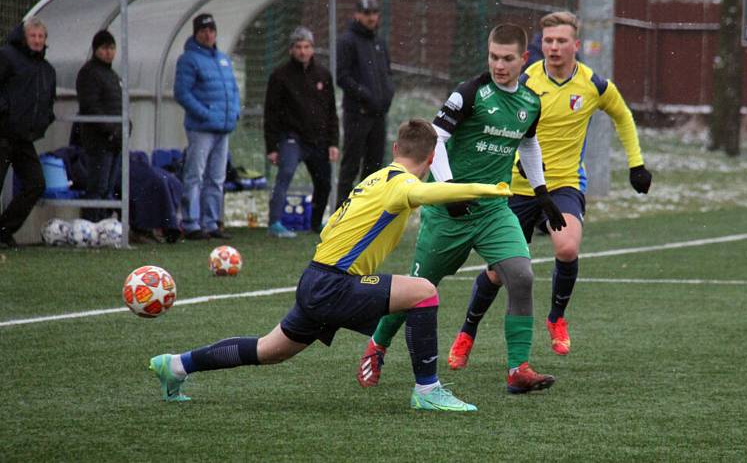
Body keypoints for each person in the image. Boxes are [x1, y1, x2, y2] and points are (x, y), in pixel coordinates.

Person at [149, 119, 512, 412]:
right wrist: (485, 189)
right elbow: (426, 193)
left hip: (316, 278)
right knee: (423, 291)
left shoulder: (374, 179)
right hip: (334, 284)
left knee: (268, 350)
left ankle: (177, 364)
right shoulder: (401, 184)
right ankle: (427, 389)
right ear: (432, 160)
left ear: (395, 149)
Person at [357, 24, 566, 394]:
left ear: (524, 59)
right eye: (493, 57)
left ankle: (518, 369)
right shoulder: (469, 93)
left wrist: (541, 191)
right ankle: (377, 345)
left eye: (507, 59)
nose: (499, 65)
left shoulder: (531, 102)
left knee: (521, 276)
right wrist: (449, 191)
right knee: (419, 289)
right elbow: (436, 139)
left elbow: (528, 144)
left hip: (493, 210)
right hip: (449, 212)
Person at [448, 11, 652, 366]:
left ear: (576, 44)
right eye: (548, 41)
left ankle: (556, 317)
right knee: (498, 273)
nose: (554, 47)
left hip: (564, 186)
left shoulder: (594, 85)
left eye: (561, 41)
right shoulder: (524, 82)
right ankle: (467, 332)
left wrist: (636, 163)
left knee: (568, 247)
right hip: (517, 186)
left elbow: (623, 115)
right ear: (539, 46)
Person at [263, 26, 339, 238]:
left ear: (313, 49)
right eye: (298, 47)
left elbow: (332, 111)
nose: (303, 51)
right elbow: (271, 113)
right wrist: (271, 146)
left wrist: (334, 142)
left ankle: (316, 223)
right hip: (291, 138)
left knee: (323, 182)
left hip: (319, 139)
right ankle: (274, 222)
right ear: (291, 50)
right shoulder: (280, 76)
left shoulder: (323, 75)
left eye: (306, 47)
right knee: (284, 175)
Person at [174, 13, 240, 240]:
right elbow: (182, 93)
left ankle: (211, 223)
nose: (208, 34)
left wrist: (235, 112)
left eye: (211, 30)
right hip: (201, 128)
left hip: (223, 129)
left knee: (216, 178)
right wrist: (205, 113)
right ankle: (191, 223)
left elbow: (233, 89)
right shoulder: (188, 59)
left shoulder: (222, 59)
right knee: (195, 175)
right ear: (196, 33)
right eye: (203, 30)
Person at [0, 17, 56, 248]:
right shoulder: (7, 56)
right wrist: (4, 112)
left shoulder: (46, 69)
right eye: (33, 36)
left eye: (41, 36)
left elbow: (47, 99)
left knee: (36, 183)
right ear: (24, 37)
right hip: (3, 133)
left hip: (23, 137)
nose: (37, 40)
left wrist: (45, 119)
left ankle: (4, 230)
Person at [334, 0, 394, 209]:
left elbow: (387, 73)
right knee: (351, 163)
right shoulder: (347, 41)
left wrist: (388, 94)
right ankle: (341, 210)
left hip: (378, 114)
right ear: (357, 14)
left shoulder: (379, 42)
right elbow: (342, 76)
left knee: (375, 166)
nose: (371, 18)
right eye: (366, 13)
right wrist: (364, 95)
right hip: (357, 114)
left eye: (374, 13)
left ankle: (367, 210)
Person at [75, 29, 122, 223]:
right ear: (96, 50)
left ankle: (101, 227)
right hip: (98, 140)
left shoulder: (112, 74)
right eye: (104, 48)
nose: (108, 52)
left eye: (112, 48)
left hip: (114, 140)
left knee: (108, 188)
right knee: (97, 186)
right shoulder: (89, 73)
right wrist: (110, 129)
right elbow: (90, 106)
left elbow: (119, 105)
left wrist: (125, 126)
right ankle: (91, 225)